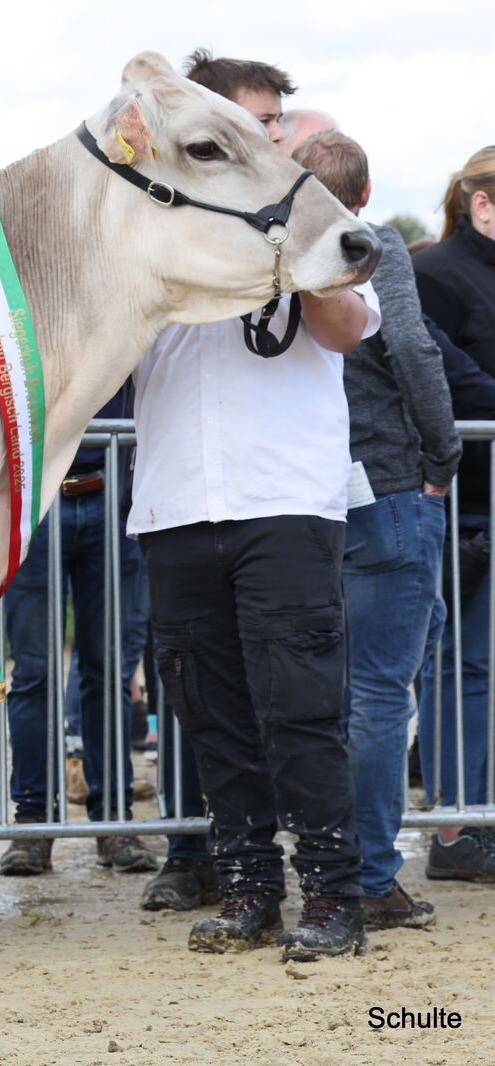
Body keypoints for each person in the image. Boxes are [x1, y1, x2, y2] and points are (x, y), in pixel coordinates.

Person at [135, 51, 377, 961]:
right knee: (216, 718)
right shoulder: (153, 228)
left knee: (302, 710)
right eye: (259, 120)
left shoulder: (325, 223)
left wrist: (296, 252)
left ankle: (334, 893)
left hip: (285, 502)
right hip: (174, 504)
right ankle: (245, 886)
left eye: (279, 121)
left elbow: (348, 327)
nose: (275, 135)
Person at [293, 131, 459, 928]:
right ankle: (369, 874)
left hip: (303, 495)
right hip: (388, 484)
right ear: (362, 198)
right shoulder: (375, 244)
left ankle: (321, 866)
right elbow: (412, 350)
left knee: (319, 694)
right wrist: (445, 454)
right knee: (378, 694)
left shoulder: (277, 246)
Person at [0, 385, 159, 878]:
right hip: (34, 494)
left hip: (114, 486)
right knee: (34, 673)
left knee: (109, 670)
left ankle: (113, 819)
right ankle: (33, 825)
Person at [413, 146, 495, 881]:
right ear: (483, 204)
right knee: (458, 664)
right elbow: (449, 383)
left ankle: (482, 816)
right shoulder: (435, 273)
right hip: (463, 504)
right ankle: (451, 828)